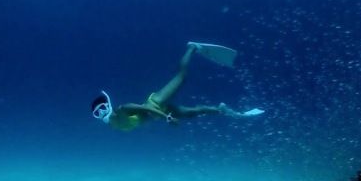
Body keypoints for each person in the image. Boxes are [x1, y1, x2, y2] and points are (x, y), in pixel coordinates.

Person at [91, 42, 264, 131]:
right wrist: (164, 117)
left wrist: (166, 117)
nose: (102, 113)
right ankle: (223, 110)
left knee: (182, 77)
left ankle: (191, 48)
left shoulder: (122, 109)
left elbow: (146, 109)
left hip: (157, 103)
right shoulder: (112, 125)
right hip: (161, 112)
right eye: (97, 113)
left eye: (102, 108)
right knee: (194, 112)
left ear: (108, 104)